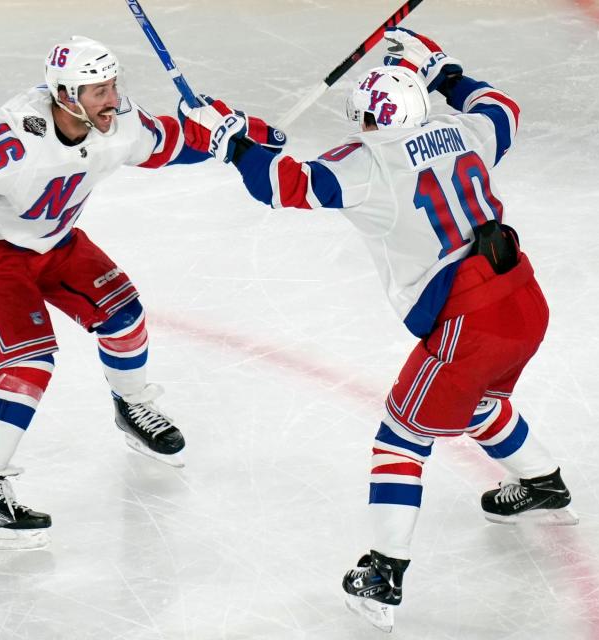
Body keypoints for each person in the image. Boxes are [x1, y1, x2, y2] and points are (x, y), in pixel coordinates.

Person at [178, 27, 577, 631]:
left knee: (401, 436)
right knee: (478, 402)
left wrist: (231, 142)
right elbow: (502, 108)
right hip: (523, 299)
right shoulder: (467, 131)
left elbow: (283, 185)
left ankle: (382, 571)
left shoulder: (367, 164)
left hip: (468, 323)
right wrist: (443, 71)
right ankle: (542, 482)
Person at [0, 35, 285, 550]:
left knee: (124, 314)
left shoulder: (116, 123)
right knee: (26, 366)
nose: (111, 98)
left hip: (52, 239)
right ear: (66, 94)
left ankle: (133, 405)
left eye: (113, 84)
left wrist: (232, 138)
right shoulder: (17, 136)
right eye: (97, 90)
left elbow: (168, 142)